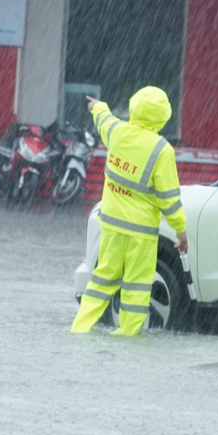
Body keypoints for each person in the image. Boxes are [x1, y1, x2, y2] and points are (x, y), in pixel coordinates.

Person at [71, 86, 188, 336]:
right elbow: (169, 199)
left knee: (102, 280)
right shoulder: (162, 150)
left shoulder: (117, 132)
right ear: (163, 117)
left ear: (134, 107)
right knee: (136, 287)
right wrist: (181, 231)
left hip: (111, 227)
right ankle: (126, 336)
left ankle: (80, 329)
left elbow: (105, 119)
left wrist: (97, 107)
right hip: (141, 234)